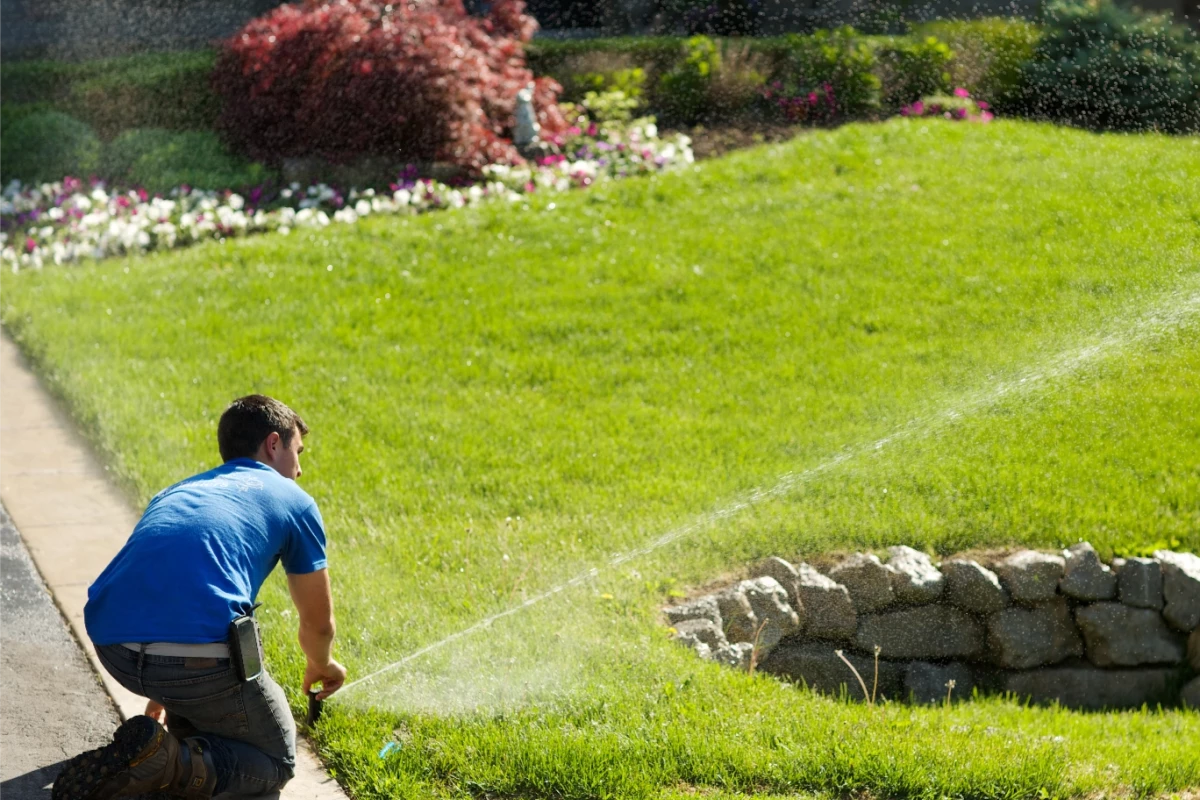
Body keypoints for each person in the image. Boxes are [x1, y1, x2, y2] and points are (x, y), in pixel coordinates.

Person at [53, 394, 347, 800]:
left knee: (204, 697)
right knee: (275, 761)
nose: (299, 469)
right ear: (273, 443)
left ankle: (170, 743)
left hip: (114, 647)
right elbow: (318, 623)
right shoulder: (294, 500)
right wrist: (322, 665)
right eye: (298, 452)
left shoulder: (180, 490)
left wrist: (158, 689)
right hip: (195, 664)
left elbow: (168, 587)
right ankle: (171, 762)